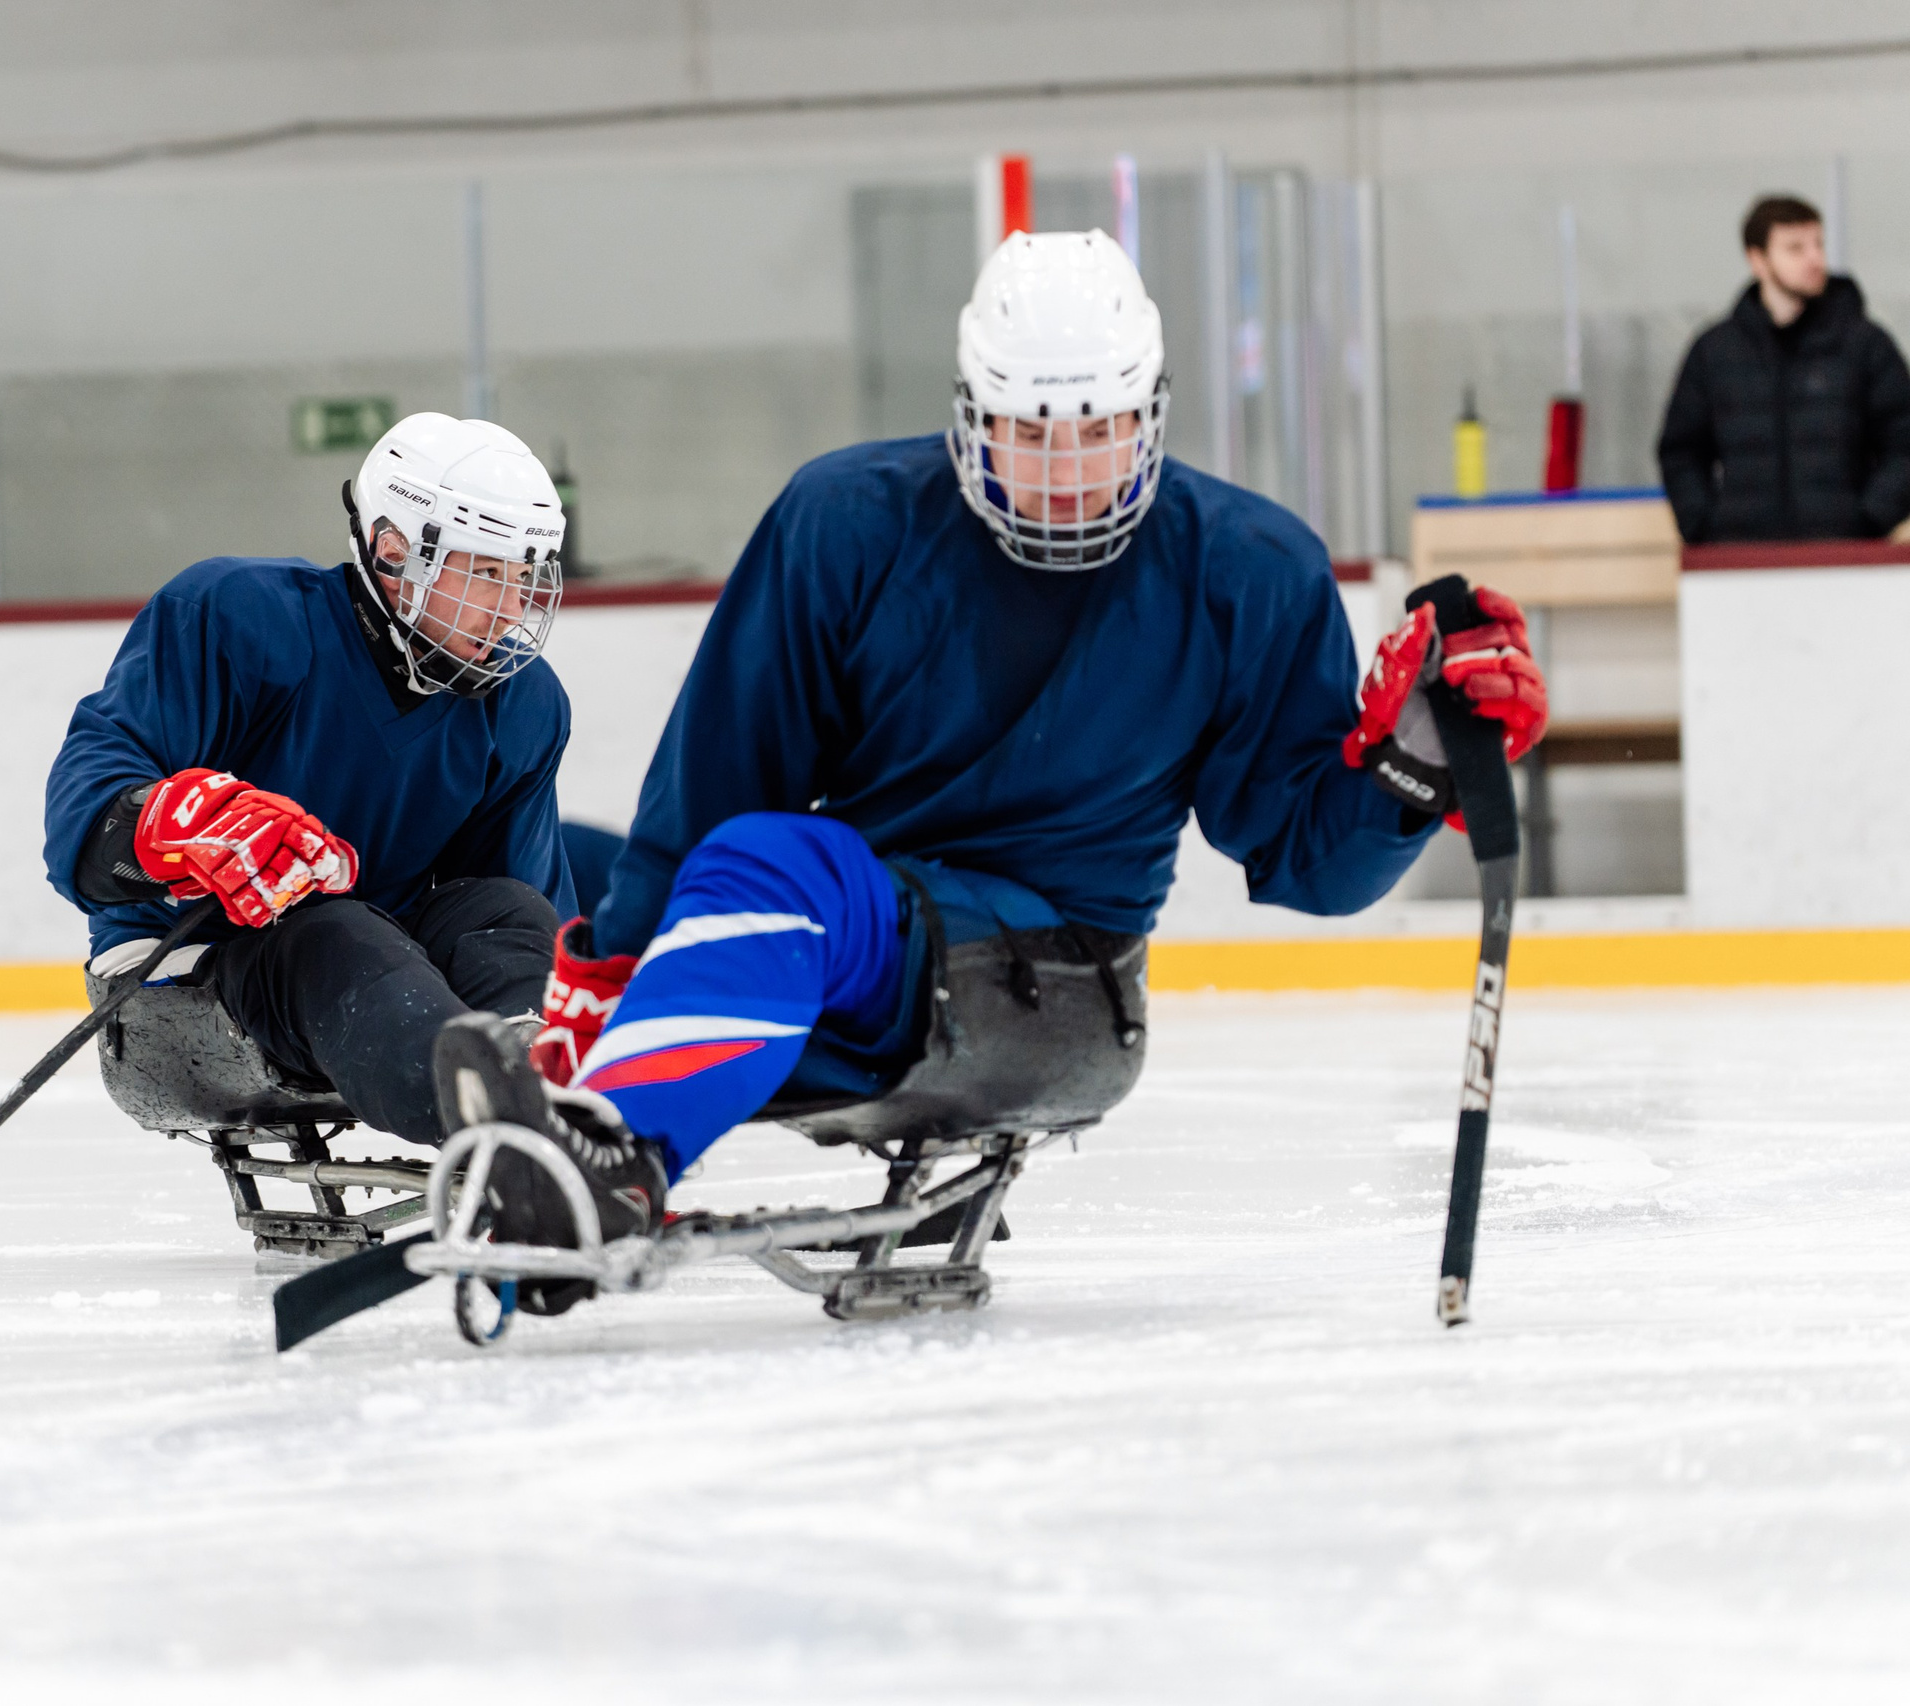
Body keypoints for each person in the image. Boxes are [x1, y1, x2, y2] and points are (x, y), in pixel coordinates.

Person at [431, 231, 1548, 1306]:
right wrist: (608, 982)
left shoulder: (1247, 568)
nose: (1065, 473)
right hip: (871, 960)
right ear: (969, 418)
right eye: (1029, 432)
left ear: (1150, 417)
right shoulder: (845, 524)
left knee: (776, 867)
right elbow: (717, 777)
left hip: (1062, 994)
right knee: (652, 866)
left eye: (1098, 430)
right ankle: (593, 1127)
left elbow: (1311, 863)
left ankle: (609, 1160)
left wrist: (1411, 764)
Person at [44, 412, 576, 1148]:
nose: (514, 607)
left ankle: (555, 1099)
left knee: (508, 912)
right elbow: (80, 828)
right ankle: (501, 1120)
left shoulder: (523, 703)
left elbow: (503, 914)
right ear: (395, 551)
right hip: (185, 981)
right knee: (332, 928)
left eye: (525, 576)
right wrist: (178, 827)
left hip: (377, 988)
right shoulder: (237, 618)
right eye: (487, 572)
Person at [1658, 193, 1910, 544]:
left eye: (1818, 245)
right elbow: (1682, 449)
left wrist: (1868, 519)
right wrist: (1705, 527)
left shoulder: (1864, 344)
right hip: (1743, 562)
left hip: (1844, 560)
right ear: (1757, 259)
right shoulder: (1715, 351)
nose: (1814, 259)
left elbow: (1903, 440)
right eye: (1795, 248)